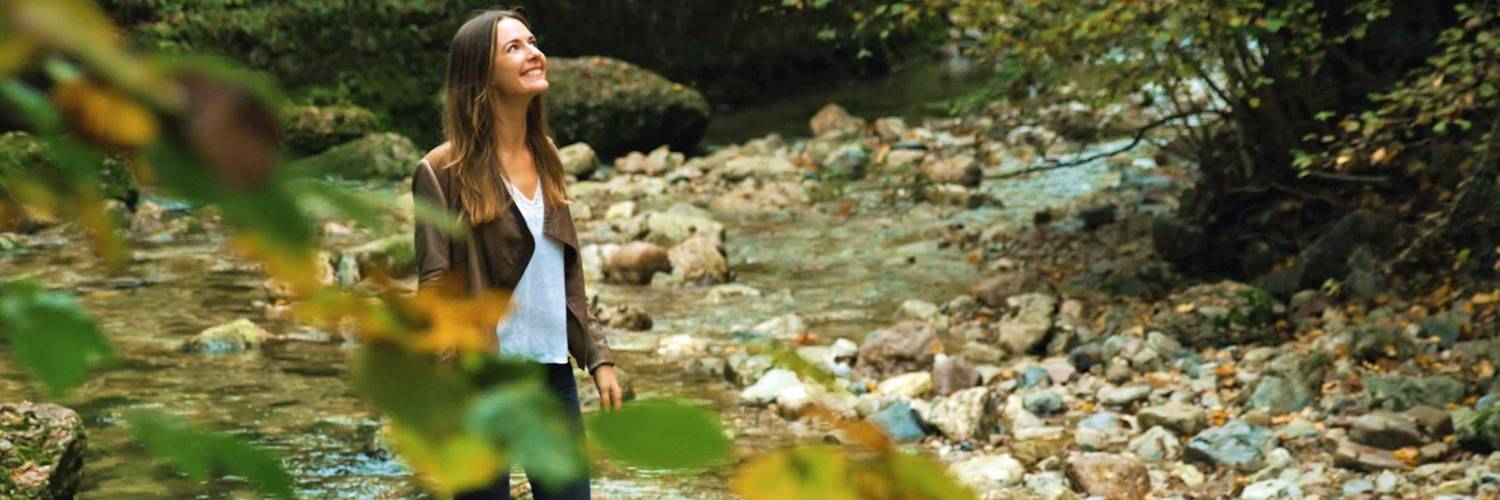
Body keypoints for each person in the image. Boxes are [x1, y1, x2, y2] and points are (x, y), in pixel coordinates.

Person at [411, 8, 621, 500]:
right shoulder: (441, 170)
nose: (534, 53)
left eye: (532, 41)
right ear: (481, 75)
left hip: (551, 373)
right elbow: (436, 288)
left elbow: (564, 271)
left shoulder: (546, 153)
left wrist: (598, 358)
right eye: (514, 48)